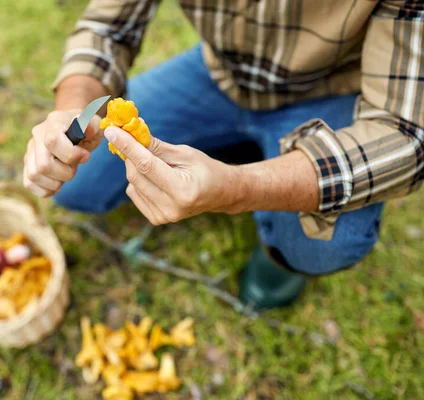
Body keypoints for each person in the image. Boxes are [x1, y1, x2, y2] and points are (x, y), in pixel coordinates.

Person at [23, 1, 423, 310]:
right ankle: (247, 145)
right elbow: (106, 26)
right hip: (221, 77)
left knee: (324, 244)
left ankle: (280, 251)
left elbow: (406, 133)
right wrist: (73, 110)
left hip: (327, 92)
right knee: (77, 186)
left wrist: (238, 188)